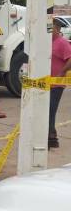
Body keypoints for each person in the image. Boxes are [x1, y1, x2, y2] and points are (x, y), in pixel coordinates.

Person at [49, 18, 71, 148]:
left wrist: (61, 73)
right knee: (46, 110)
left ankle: (52, 138)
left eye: (51, 28)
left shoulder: (62, 43)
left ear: (57, 29)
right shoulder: (48, 42)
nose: (48, 30)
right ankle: (51, 136)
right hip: (46, 83)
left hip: (57, 84)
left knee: (50, 110)